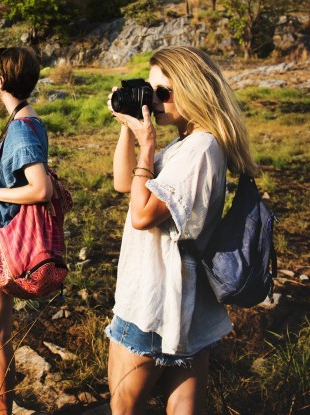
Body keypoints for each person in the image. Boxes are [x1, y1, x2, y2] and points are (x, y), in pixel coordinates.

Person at [106, 46, 260, 415]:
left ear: (193, 90)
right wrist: (129, 127)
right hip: (182, 302)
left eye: (164, 92)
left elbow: (142, 214)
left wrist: (147, 146)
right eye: (151, 90)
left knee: (123, 409)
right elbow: (124, 182)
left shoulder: (201, 149)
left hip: (154, 302)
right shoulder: (188, 144)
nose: (155, 101)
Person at [0, 46, 54, 414]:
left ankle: (2, 407)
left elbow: (41, 188)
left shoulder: (21, 130)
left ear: (1, 81)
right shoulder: (24, 120)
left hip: (1, 241)